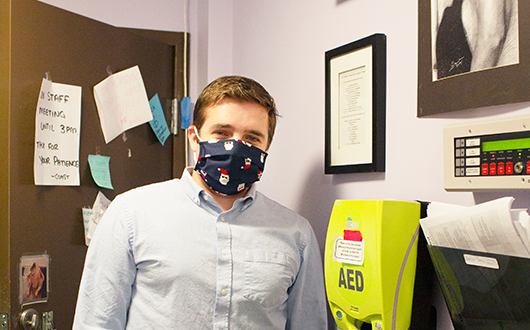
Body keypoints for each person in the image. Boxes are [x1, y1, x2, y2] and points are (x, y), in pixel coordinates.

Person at [73, 76, 328, 330]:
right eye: (222, 133)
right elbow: (96, 322)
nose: (236, 146)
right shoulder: (130, 214)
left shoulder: (296, 234)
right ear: (194, 138)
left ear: (266, 147)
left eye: (251, 138)